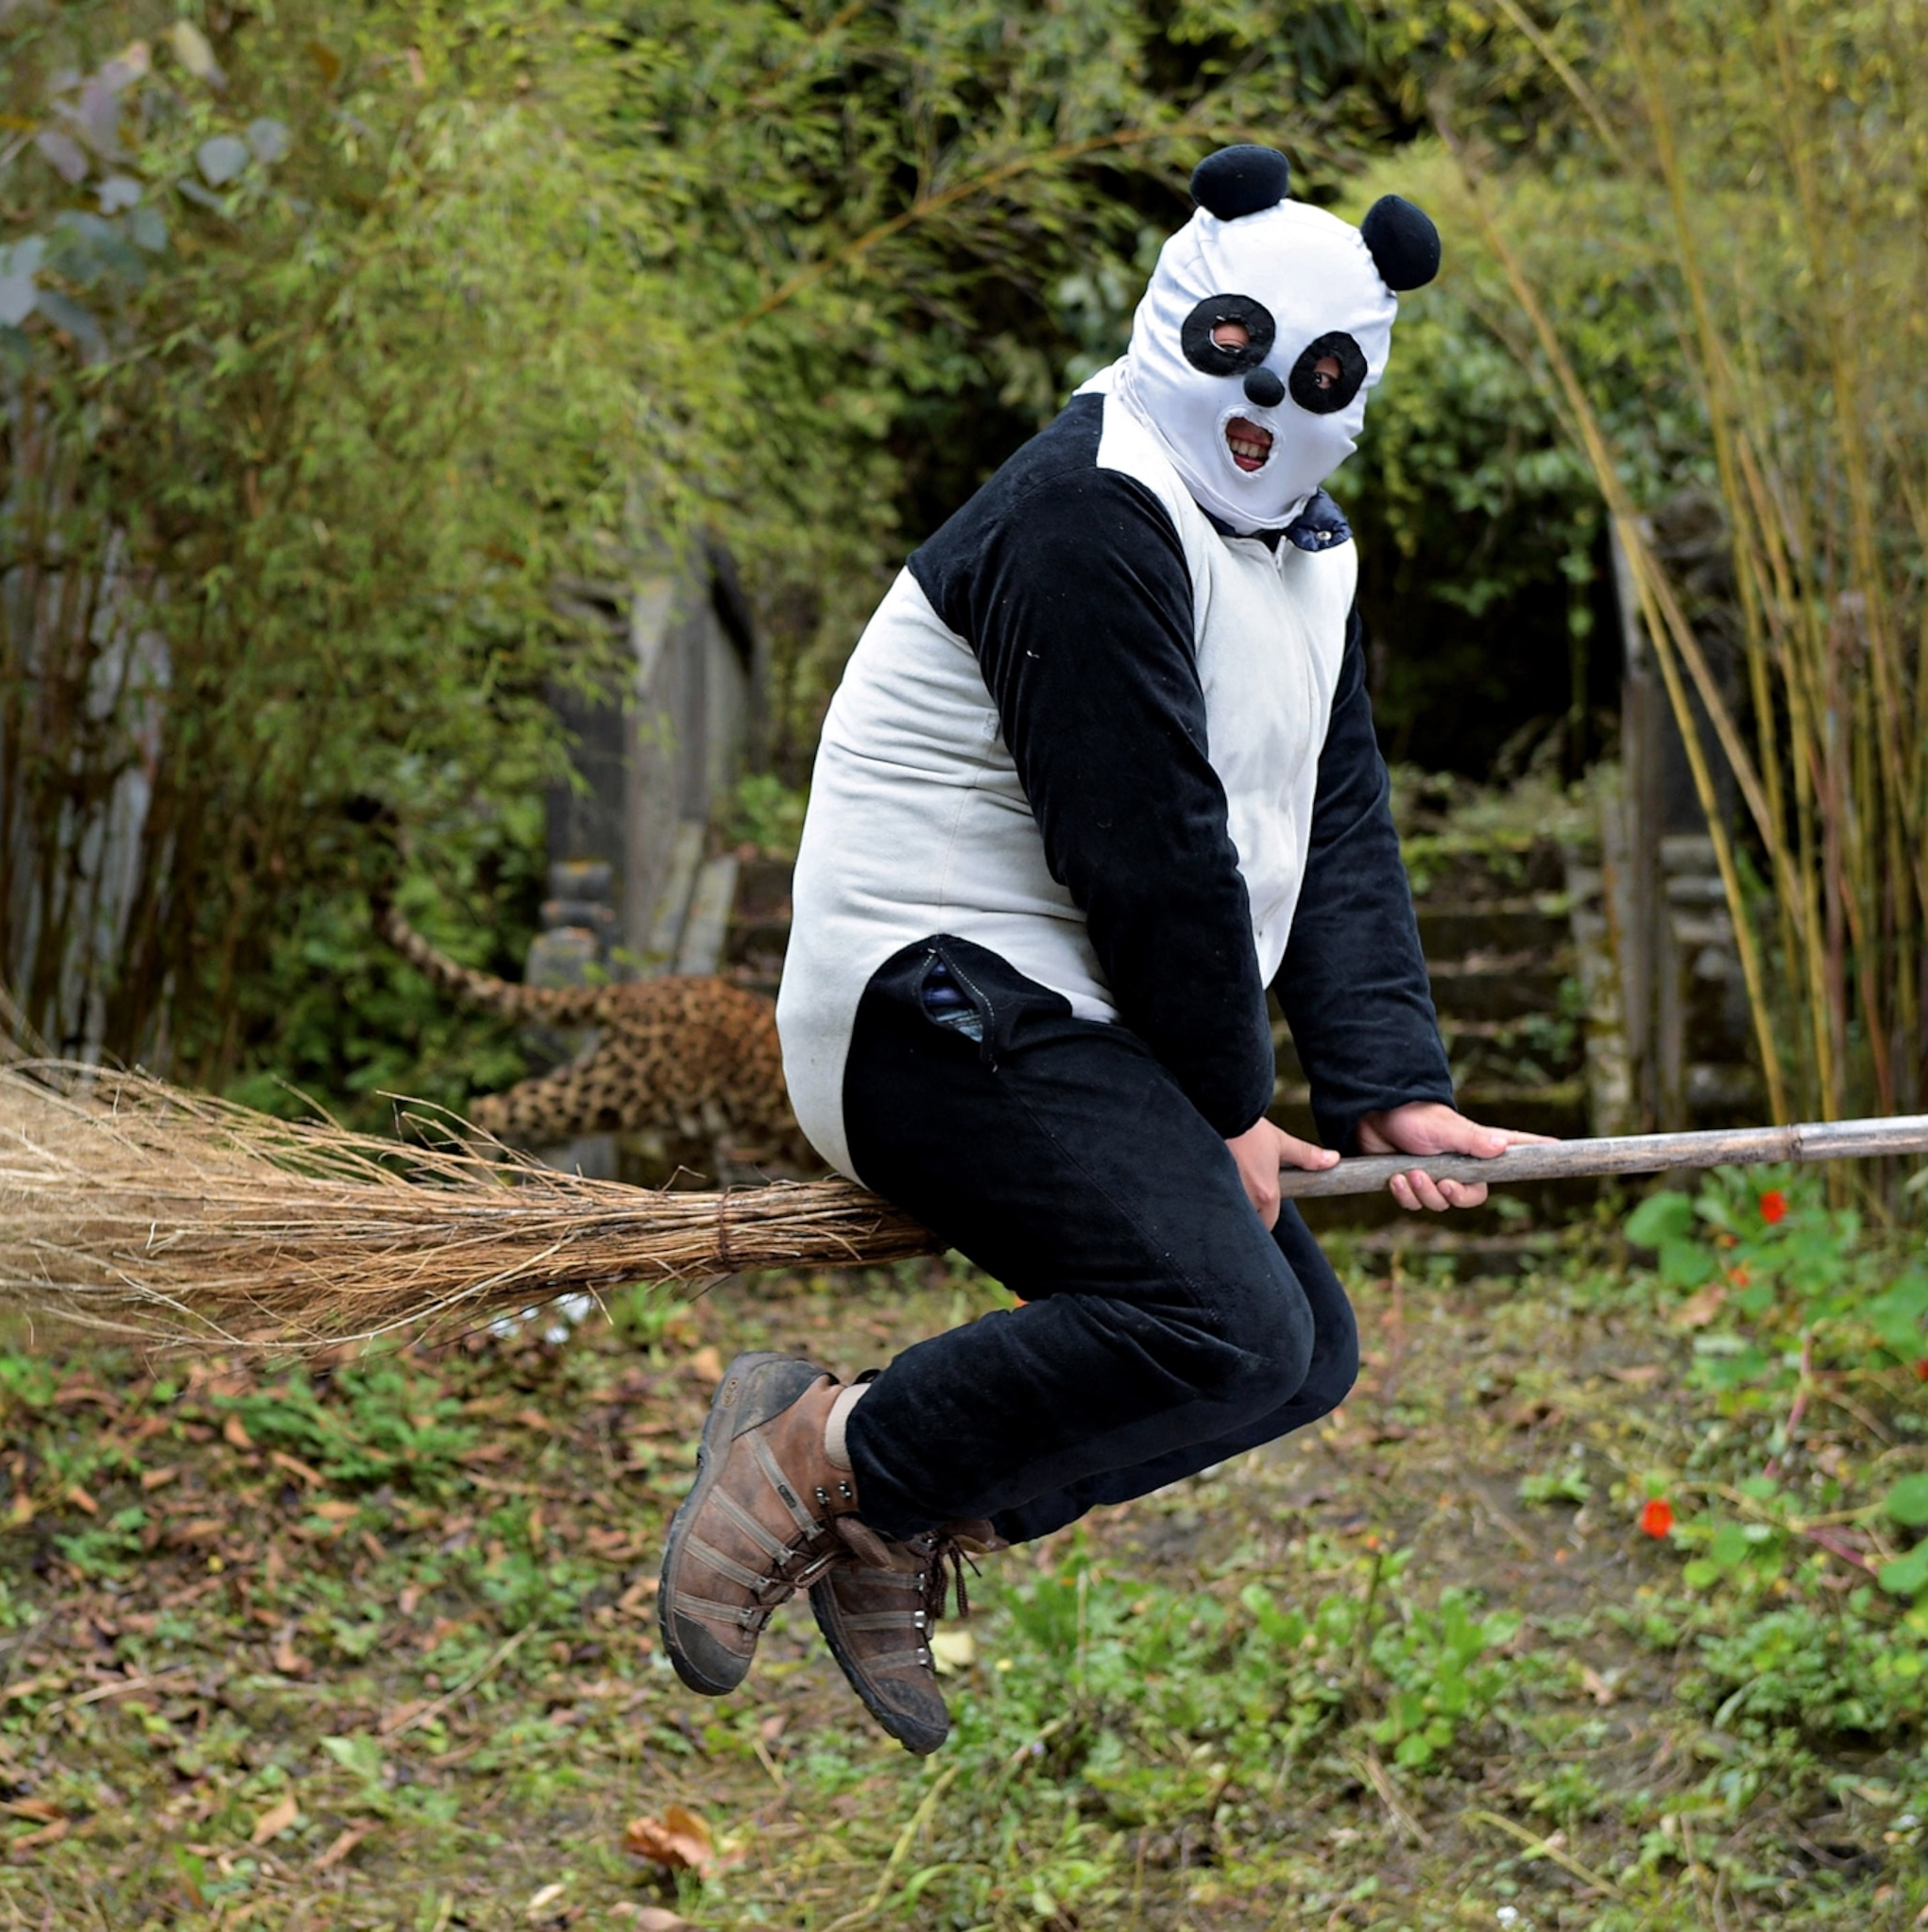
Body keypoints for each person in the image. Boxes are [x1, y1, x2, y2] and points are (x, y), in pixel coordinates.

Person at [656, 145, 1549, 1753]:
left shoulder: (1308, 557)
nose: (1269, 392)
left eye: (1318, 373)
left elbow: (1331, 811)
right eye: (1242, 345)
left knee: (1299, 1353)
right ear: (1184, 305)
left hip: (1071, 1017)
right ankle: (816, 1452)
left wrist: (1390, 1082)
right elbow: (1150, 860)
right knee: (1230, 1318)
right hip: (923, 1003)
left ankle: (897, 1512)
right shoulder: (1092, 507)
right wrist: (1224, 1097)